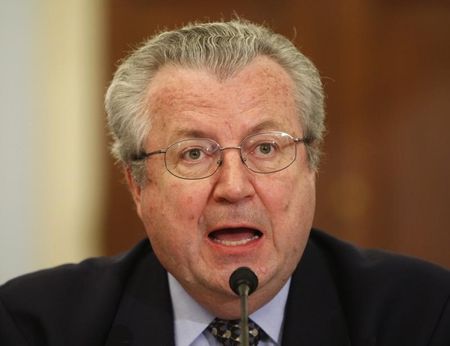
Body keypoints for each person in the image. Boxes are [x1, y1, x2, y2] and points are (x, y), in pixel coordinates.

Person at [0, 19, 449, 346]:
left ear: (310, 165)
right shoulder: (33, 324)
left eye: (266, 148)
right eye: (194, 153)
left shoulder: (425, 315)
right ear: (137, 186)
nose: (234, 187)